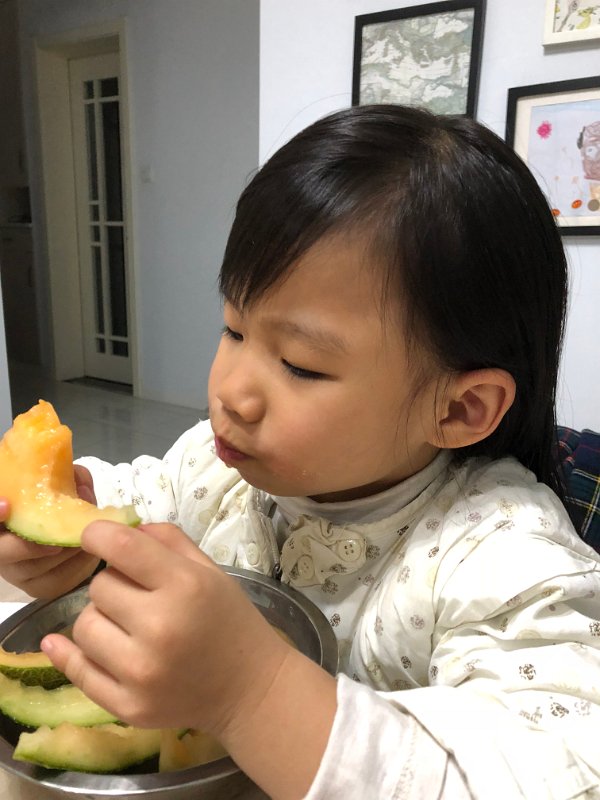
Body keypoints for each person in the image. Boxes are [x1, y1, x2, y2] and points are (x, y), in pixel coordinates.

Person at [1, 105, 600, 799]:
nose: (231, 392)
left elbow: (560, 771)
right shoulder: (216, 468)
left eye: (300, 365)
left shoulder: (502, 556)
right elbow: (142, 498)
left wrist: (251, 690)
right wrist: (77, 544)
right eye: (233, 329)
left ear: (458, 409)